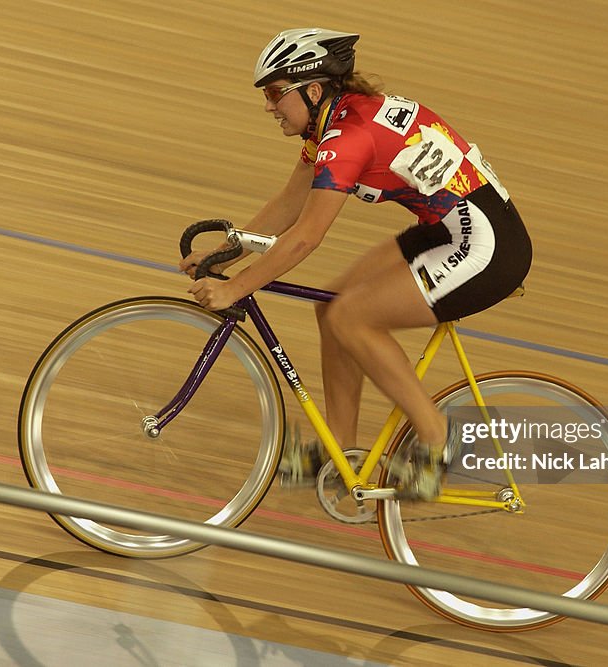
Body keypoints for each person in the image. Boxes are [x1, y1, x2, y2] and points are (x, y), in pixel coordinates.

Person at [180, 28, 532, 500]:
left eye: (273, 93)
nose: (268, 106)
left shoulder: (349, 135)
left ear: (313, 89)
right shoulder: (329, 122)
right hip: (450, 226)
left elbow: (305, 237)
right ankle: (339, 451)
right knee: (332, 308)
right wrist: (230, 251)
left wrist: (236, 286)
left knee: (353, 317)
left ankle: (435, 438)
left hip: (486, 244)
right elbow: (290, 203)